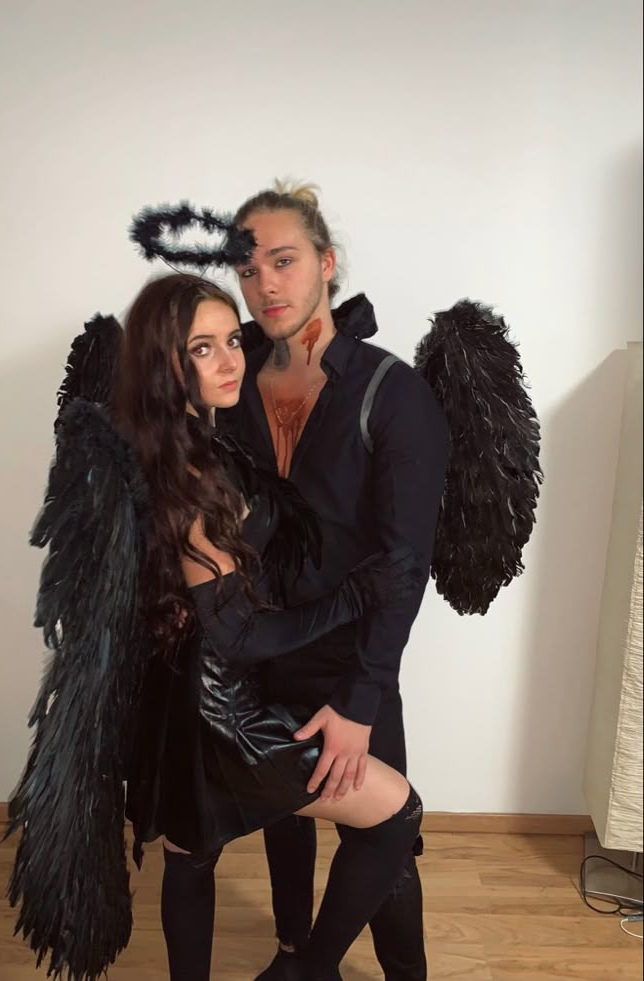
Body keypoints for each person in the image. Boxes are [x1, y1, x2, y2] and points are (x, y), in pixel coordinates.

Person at [7, 272, 428, 981]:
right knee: (396, 813)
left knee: (189, 855)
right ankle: (311, 967)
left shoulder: (174, 441)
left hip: (173, 701)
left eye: (233, 339)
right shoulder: (190, 474)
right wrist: (355, 597)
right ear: (167, 363)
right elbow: (239, 636)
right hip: (220, 707)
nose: (232, 359)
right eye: (204, 347)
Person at [210, 181, 450, 981]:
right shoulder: (231, 386)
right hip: (261, 649)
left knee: (384, 839)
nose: (265, 284)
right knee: (288, 808)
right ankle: (290, 950)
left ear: (326, 263)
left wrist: (361, 697)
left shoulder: (393, 393)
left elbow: (405, 564)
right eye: (248, 270)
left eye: (283, 260)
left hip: (353, 663)